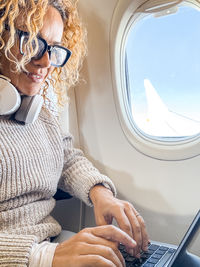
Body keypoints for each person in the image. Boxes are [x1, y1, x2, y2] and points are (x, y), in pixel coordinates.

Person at [0, 0, 149, 266]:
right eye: (32, 42)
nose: (45, 61)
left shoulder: (39, 114)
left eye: (54, 49)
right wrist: (42, 257)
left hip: (50, 246)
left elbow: (68, 158)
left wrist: (100, 193)